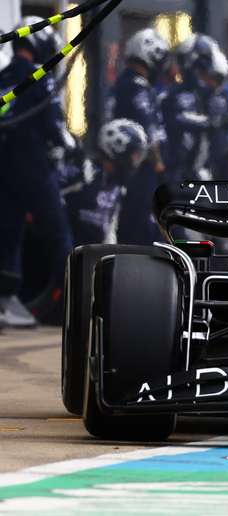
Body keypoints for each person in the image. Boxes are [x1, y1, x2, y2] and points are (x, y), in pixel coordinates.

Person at [0, 17, 72, 328]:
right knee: (59, 234)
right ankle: (77, 299)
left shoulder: (2, 76)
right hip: (34, 167)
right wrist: (71, 147)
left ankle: (5, 300)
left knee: (9, 235)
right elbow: (56, 128)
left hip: (5, 168)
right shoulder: (39, 76)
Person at [108, 28, 169, 245]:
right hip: (140, 170)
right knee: (141, 232)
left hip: (130, 168)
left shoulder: (124, 83)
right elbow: (149, 135)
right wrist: (161, 167)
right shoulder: (138, 88)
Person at [61, 119, 149, 246]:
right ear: (117, 148)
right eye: (134, 155)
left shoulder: (118, 184)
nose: (136, 161)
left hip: (91, 253)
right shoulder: (83, 171)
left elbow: (109, 227)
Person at [162, 34, 228, 183]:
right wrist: (209, 122)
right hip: (178, 172)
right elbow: (177, 118)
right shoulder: (177, 95)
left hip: (207, 170)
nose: (212, 83)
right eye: (207, 76)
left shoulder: (216, 97)